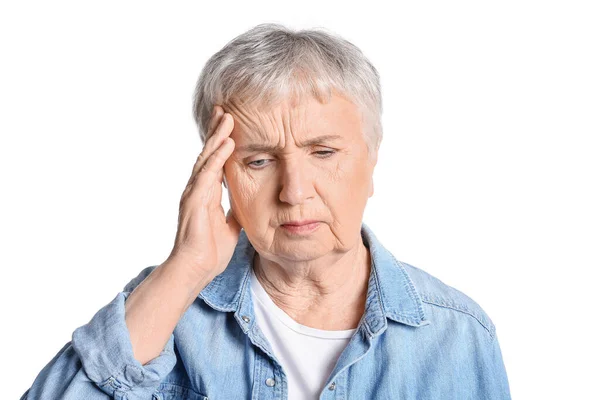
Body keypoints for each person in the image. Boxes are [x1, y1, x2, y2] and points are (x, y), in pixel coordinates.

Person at [21, 23, 511, 400]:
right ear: (216, 174)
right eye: (258, 160)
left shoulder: (457, 335)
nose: (294, 192)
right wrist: (185, 269)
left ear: (372, 157)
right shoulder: (165, 311)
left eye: (323, 152)